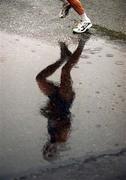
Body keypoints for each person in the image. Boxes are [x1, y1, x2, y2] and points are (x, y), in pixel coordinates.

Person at [36, 35, 90, 160]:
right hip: (65, 100)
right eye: (51, 151)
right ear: (56, 151)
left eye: (46, 149)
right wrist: (51, 114)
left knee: (39, 79)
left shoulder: (51, 136)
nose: (48, 148)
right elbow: (67, 121)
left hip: (54, 99)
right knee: (66, 71)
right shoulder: (62, 138)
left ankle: (63, 58)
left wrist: (48, 111)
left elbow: (54, 116)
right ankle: (83, 42)